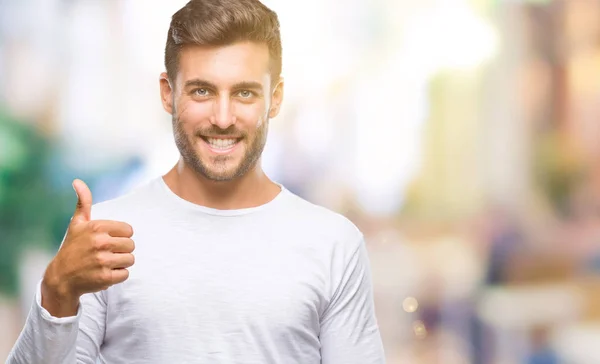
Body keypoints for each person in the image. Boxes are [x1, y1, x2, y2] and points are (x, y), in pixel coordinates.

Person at [7, 0, 385, 363]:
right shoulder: (105, 237)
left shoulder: (333, 244)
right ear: (168, 93)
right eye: (202, 91)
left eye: (244, 93)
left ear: (275, 98)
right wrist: (56, 291)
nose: (223, 117)